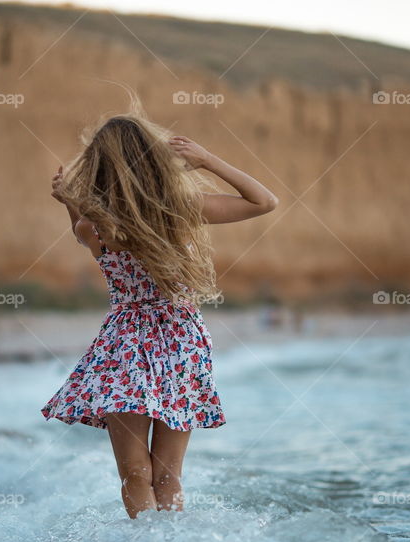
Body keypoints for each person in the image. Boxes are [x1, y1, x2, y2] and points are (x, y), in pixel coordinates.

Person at [40, 109, 278, 518]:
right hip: (182, 339)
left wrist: (71, 204)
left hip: (126, 346)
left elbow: (88, 236)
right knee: (169, 474)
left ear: (99, 166)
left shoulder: (93, 225)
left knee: (135, 474)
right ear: (153, 158)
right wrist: (207, 160)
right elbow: (264, 201)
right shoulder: (180, 209)